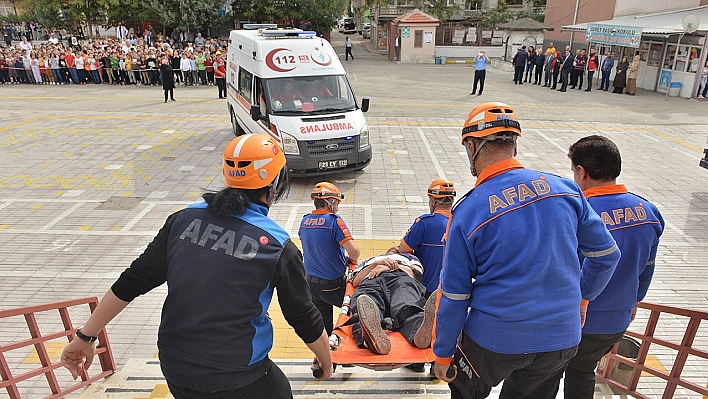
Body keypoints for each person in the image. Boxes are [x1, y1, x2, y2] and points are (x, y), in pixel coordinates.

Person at [60, 134, 334, 398]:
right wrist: (326, 362)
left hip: (175, 367)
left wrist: (84, 337)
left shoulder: (182, 219)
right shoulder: (277, 245)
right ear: (275, 184)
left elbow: (133, 281)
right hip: (237, 376)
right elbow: (301, 315)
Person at [432, 102, 621, 399]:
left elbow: (455, 294)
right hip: (560, 338)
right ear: (514, 145)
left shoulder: (468, 212)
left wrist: (443, 355)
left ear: (471, 146)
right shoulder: (565, 189)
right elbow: (607, 255)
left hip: (493, 339)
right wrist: (582, 300)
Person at [557, 135, 664, 399]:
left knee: (547, 373)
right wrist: (634, 302)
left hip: (576, 320)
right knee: (582, 370)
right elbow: (647, 267)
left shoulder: (576, 213)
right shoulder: (648, 211)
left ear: (581, 172)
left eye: (573, 171)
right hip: (617, 320)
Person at [298, 182, 360, 338]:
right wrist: (348, 258)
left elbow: (317, 248)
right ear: (330, 202)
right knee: (358, 310)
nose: (338, 207)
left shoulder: (304, 221)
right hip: (333, 286)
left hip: (310, 285)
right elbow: (354, 252)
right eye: (337, 203)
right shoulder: (334, 221)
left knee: (324, 327)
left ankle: (324, 359)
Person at [350, 250, 437, 355]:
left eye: (395, 250)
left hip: (400, 277)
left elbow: (417, 273)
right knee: (365, 305)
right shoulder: (368, 261)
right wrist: (374, 265)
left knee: (406, 304)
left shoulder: (408, 258)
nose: (391, 251)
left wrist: (391, 267)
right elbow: (356, 281)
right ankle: (370, 337)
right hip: (371, 280)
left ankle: (420, 331)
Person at [392, 179, 455, 299]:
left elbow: (403, 250)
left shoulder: (424, 223)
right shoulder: (461, 223)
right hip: (451, 291)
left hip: (425, 290)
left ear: (434, 202)